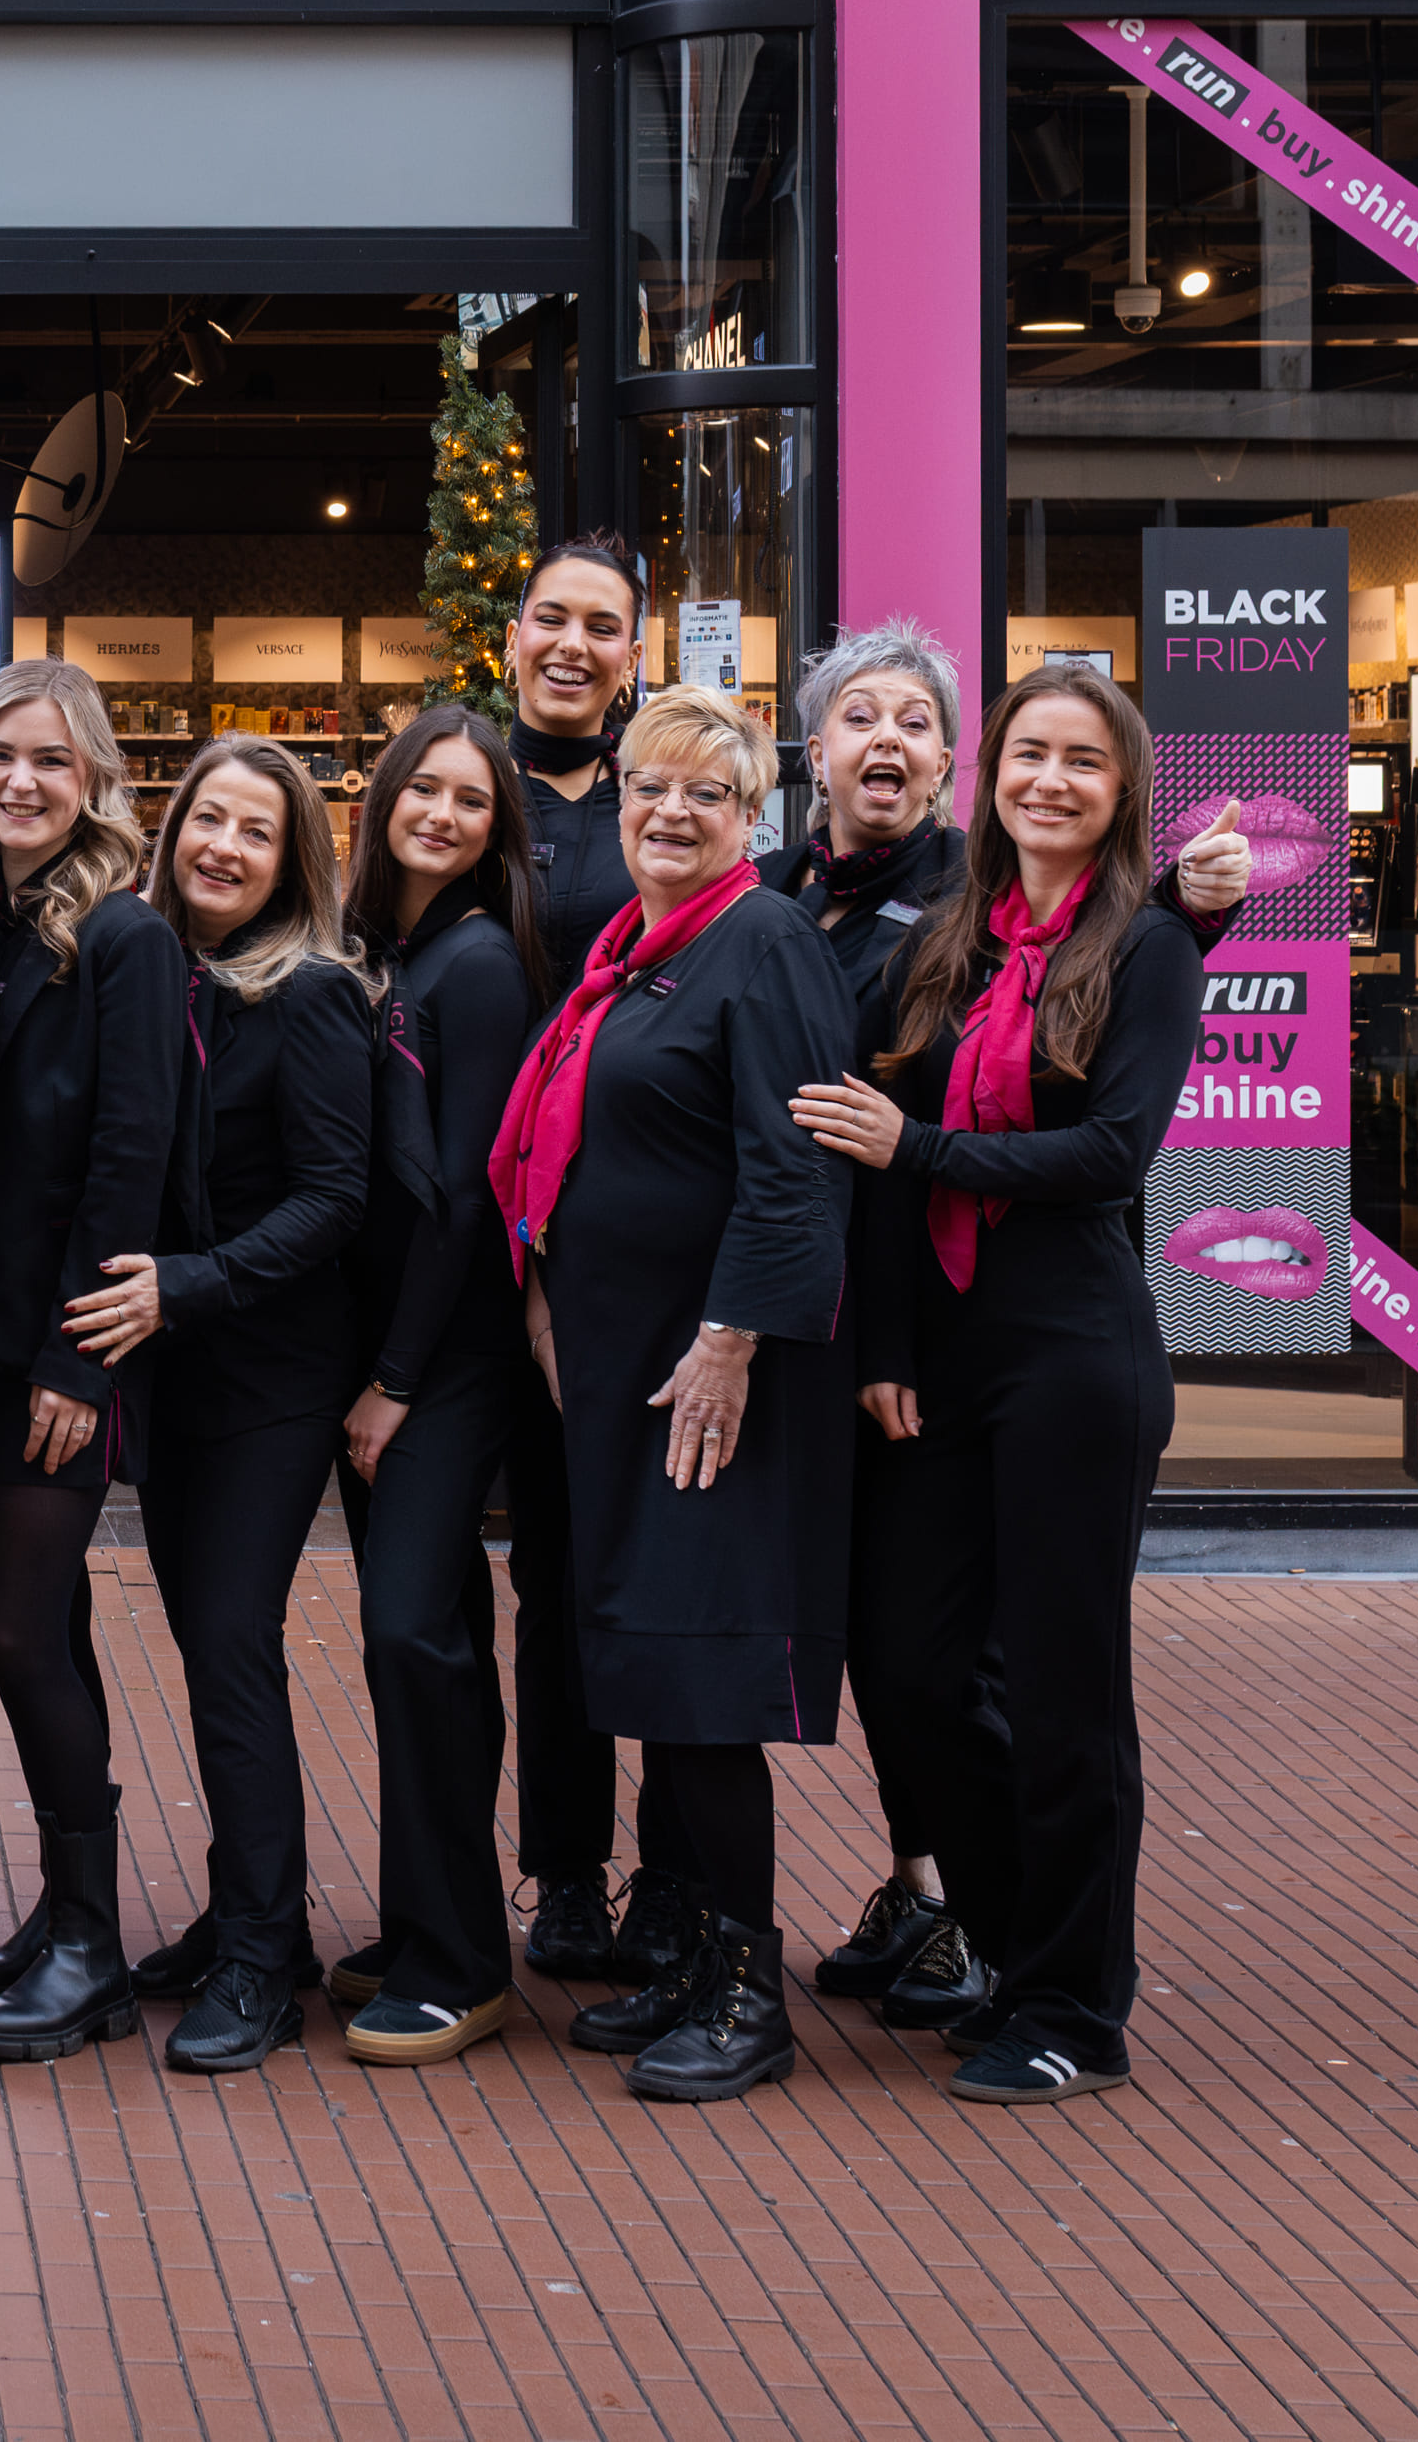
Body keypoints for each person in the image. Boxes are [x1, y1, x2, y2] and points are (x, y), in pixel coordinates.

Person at [769, 620, 1251, 2029]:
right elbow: (868, 1150)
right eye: (1028, 753)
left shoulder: (1145, 945)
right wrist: (885, 1347)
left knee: (1062, 1692)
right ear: (989, 778)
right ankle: (1006, 1938)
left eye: (1081, 760)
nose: (1049, 779)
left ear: (1121, 789)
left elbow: (1109, 1154)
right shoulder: (949, 938)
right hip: (941, 1362)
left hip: (1073, 1356)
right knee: (910, 1669)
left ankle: (1069, 2008)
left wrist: (913, 1145)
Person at [492, 681, 857, 2104]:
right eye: (648, 784)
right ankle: (700, 1960)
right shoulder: (629, 952)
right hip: (627, 1374)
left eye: (707, 792)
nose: (670, 810)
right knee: (649, 1660)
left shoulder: (760, 939)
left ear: (749, 817)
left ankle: (750, 1993)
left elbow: (793, 1166)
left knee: (701, 1679)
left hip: (711, 1385)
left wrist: (726, 1340)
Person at [73, 734, 371, 2077]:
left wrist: (188, 1284)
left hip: (267, 1375)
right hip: (174, 1370)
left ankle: (260, 1956)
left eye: (256, 830)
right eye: (208, 819)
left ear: (291, 859)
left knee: (233, 1641)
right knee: (204, 1643)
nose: (223, 847)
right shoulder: (145, 970)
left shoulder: (309, 991)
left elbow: (334, 1197)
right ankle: (254, 1915)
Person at [0, 661, 186, 2065]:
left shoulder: (124, 935)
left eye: (50, 759)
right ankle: (64, 1908)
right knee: (51, 1626)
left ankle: (91, 1948)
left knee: (19, 1630)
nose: (20, 780)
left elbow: (128, 1152)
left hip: (53, 1345)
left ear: (92, 778)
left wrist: (78, 1363)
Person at [320, 703, 590, 2064]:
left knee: (410, 1631)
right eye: (420, 788)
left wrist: (391, 1378)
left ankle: (459, 1960)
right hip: (385, 1351)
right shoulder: (382, 945)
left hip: (442, 1356)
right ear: (380, 801)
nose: (439, 812)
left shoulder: (479, 963)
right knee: (427, 1638)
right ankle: (423, 1913)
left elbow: (470, 1196)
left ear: (496, 832)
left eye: (469, 800)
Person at [503, 534, 650, 980]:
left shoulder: (659, 797)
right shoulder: (465, 787)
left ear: (631, 660)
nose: (572, 644)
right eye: (551, 620)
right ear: (513, 640)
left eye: (602, 629)